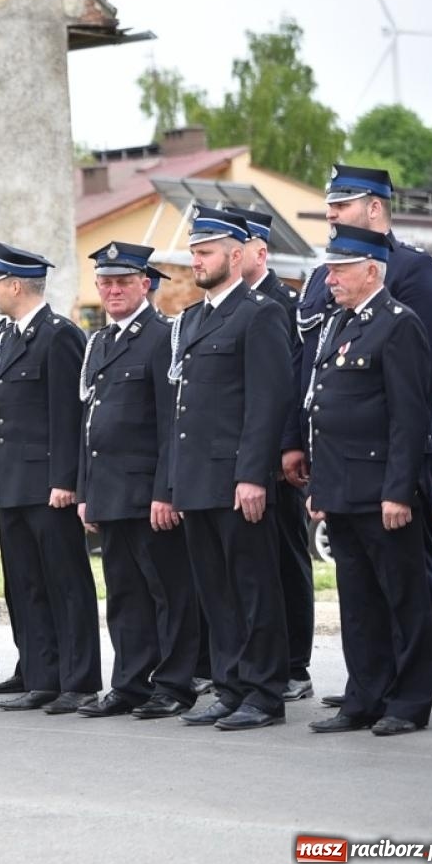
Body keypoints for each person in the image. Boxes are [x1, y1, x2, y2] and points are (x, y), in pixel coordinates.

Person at [299, 164, 432, 705]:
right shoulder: (327, 279)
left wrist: (409, 469)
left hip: (402, 445)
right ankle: (374, 683)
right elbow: (316, 365)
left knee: (412, 571)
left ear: (375, 207)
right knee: (360, 585)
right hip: (342, 457)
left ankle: (425, 681)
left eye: (341, 206)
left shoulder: (414, 271)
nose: (332, 216)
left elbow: (426, 374)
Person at [170, 206, 293, 731]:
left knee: (252, 587)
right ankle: (230, 686)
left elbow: (268, 402)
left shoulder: (259, 313)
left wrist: (251, 474)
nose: (196, 261)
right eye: (194, 253)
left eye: (206, 252)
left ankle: (264, 692)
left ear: (237, 256)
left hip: (235, 479)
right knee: (215, 592)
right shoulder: (193, 318)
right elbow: (185, 409)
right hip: (197, 479)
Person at [73, 243, 199, 719]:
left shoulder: (162, 336)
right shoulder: (100, 342)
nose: (112, 290)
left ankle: (173, 684)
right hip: (109, 492)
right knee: (124, 594)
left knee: (168, 591)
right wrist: (86, 493)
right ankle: (129, 683)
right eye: (105, 282)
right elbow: (89, 426)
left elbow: (171, 424)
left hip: (148, 494)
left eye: (122, 282)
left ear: (145, 284)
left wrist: (165, 491)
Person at [0, 243, 100, 715]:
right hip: (12, 481)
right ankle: (40, 673)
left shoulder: (59, 336)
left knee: (65, 582)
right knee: (25, 584)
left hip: (49, 484)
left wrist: (65, 480)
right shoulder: (1, 337)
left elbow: (68, 415)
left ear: (15, 284)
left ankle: (78, 679)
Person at [228, 205, 315, 702]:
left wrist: (288, 444)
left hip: (274, 456)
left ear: (258, 251)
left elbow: (285, 384)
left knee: (286, 557)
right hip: (239, 454)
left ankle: (295, 664)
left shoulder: (279, 302)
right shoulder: (233, 304)